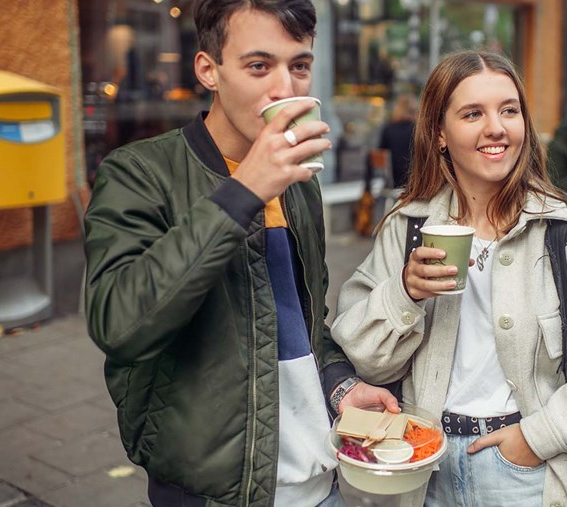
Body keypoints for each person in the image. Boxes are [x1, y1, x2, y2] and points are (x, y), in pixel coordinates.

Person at [330, 50, 567, 506]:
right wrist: (406, 292)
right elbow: (366, 361)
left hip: (523, 475)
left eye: (509, 110)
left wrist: (540, 436)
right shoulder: (407, 226)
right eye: (473, 113)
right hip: (424, 469)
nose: (496, 127)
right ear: (440, 134)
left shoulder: (566, 232)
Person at [84, 1, 397, 506]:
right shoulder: (139, 173)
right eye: (259, 66)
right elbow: (119, 325)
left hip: (321, 477)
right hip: (215, 490)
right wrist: (244, 190)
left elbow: (302, 323)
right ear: (208, 70)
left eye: (299, 65)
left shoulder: (299, 183)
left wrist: (341, 386)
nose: (285, 88)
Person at [378, 92, 418, 189]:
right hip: (414, 181)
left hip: (393, 181)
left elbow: (381, 151)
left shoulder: (388, 129)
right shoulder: (417, 130)